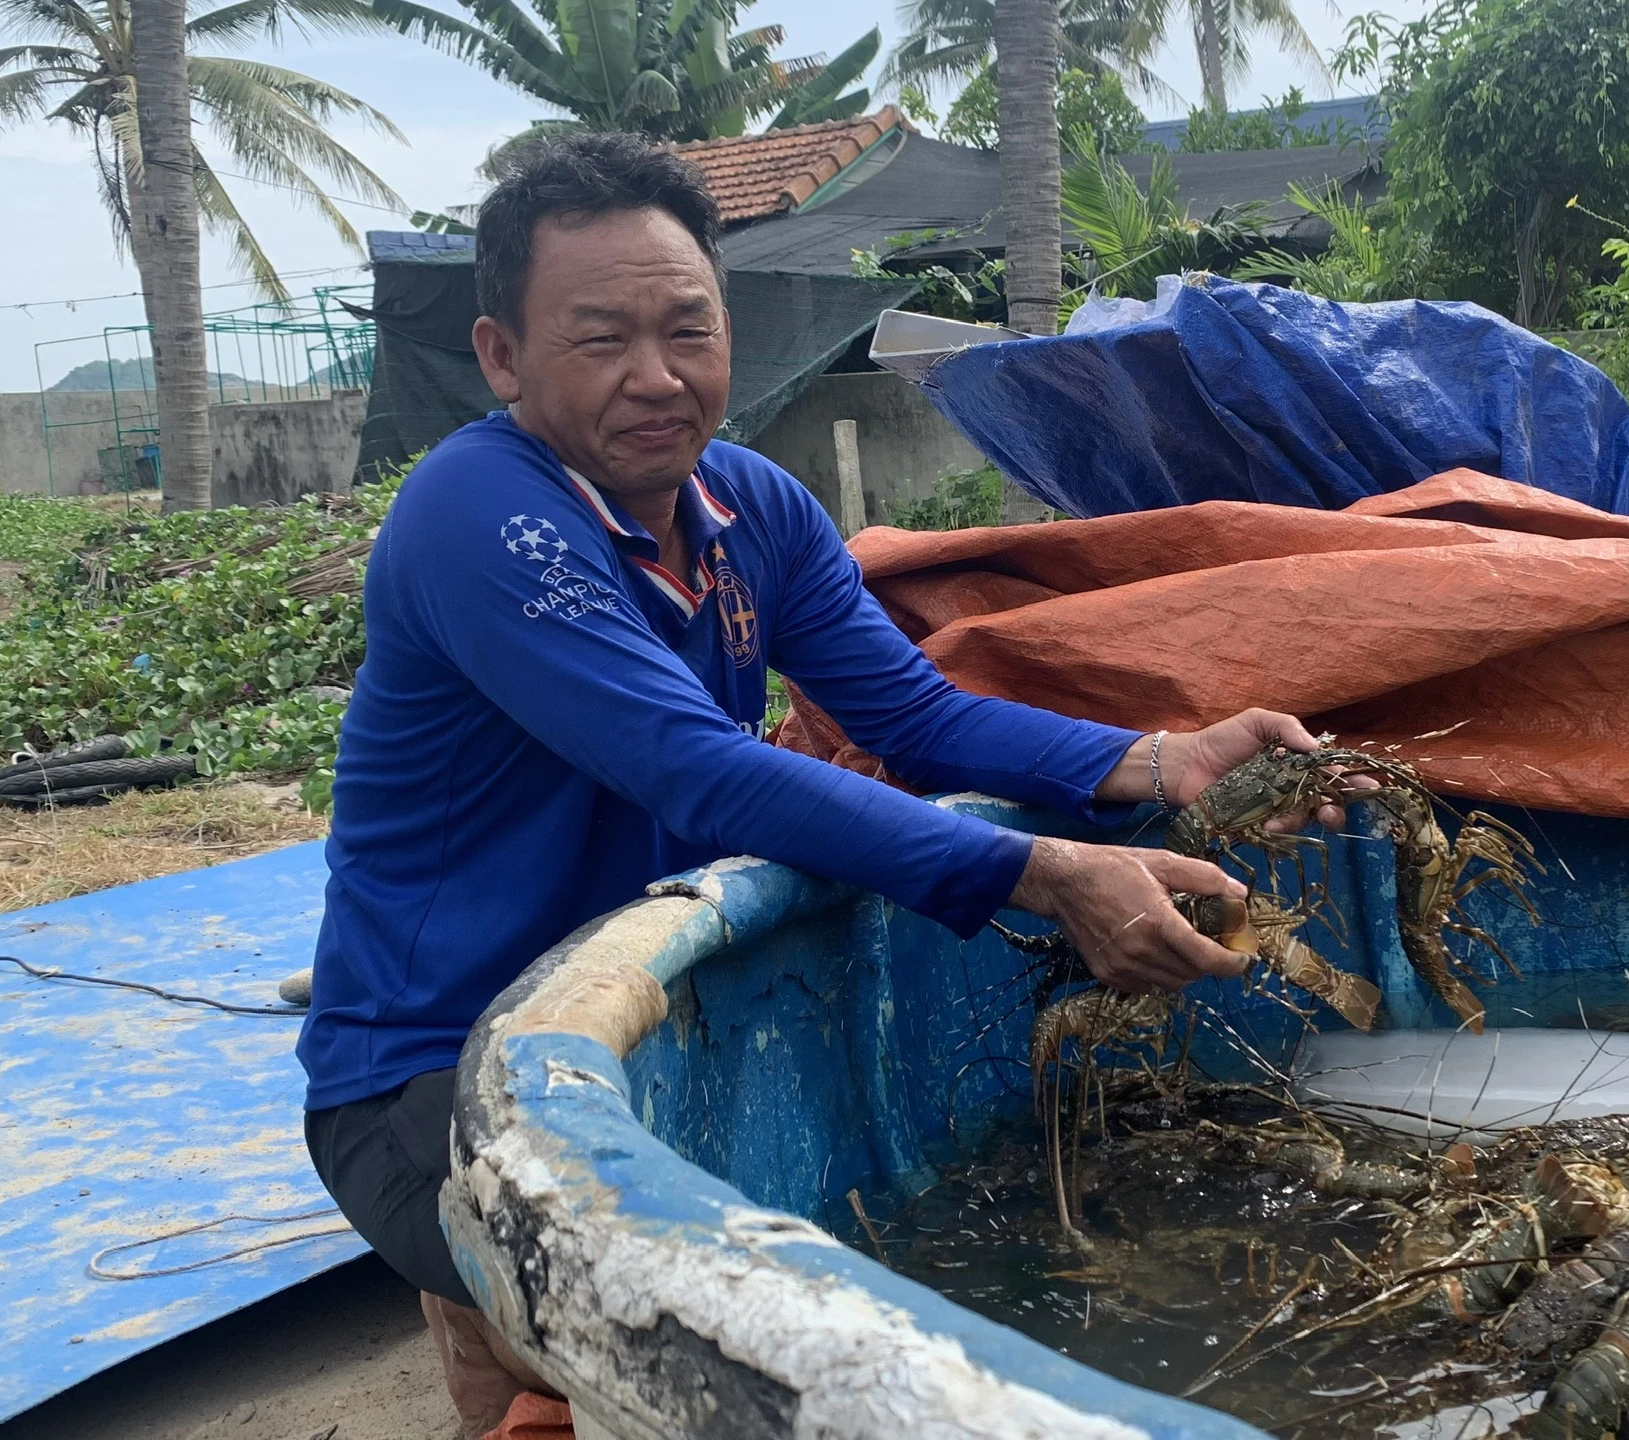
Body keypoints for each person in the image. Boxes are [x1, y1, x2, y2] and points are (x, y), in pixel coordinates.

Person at [294, 131, 1340, 1437]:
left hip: (638, 1005)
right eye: (600, 338)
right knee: (596, 1351)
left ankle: (499, 1342)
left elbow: (911, 713)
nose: (656, 377)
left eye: (688, 328)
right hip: (429, 1070)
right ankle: (487, 1336)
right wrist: (1051, 871)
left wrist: (1154, 761)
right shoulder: (481, 515)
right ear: (502, 355)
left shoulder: (755, 508)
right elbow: (704, 770)